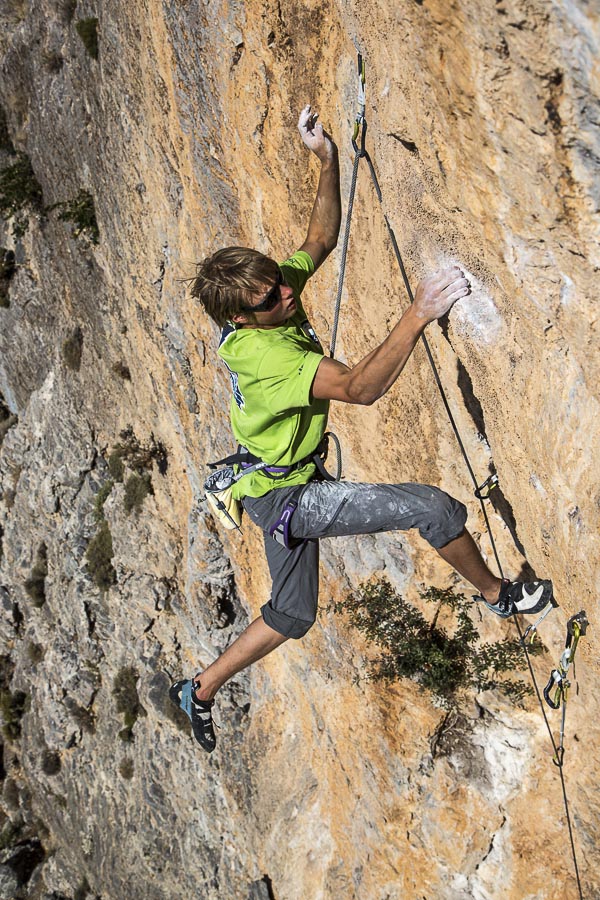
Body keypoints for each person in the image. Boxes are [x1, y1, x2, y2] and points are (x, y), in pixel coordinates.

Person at [170, 104, 554, 752]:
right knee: (433, 507)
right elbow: (360, 389)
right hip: (291, 496)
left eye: (277, 284)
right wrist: (420, 310)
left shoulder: (261, 302)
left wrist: (327, 159)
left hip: (269, 485)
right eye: (269, 299)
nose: (286, 295)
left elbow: (319, 239)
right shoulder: (268, 355)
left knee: (291, 613)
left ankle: (199, 689)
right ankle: (499, 596)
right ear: (239, 320)